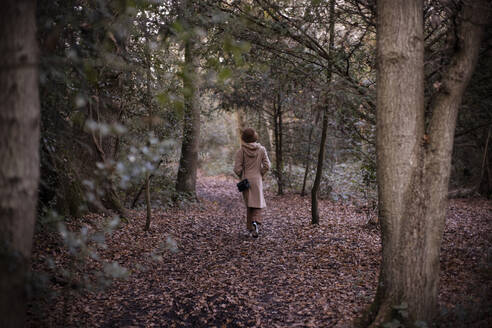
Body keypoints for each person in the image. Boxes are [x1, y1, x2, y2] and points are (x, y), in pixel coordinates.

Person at [234, 128, 271, 238]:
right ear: (255, 137)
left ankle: (250, 228)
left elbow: (237, 169)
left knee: (249, 204)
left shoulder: (241, 151)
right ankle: (256, 222)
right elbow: (267, 165)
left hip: (246, 180)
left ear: (244, 138)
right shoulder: (262, 149)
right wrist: (261, 173)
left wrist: (241, 175)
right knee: (258, 203)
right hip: (257, 180)